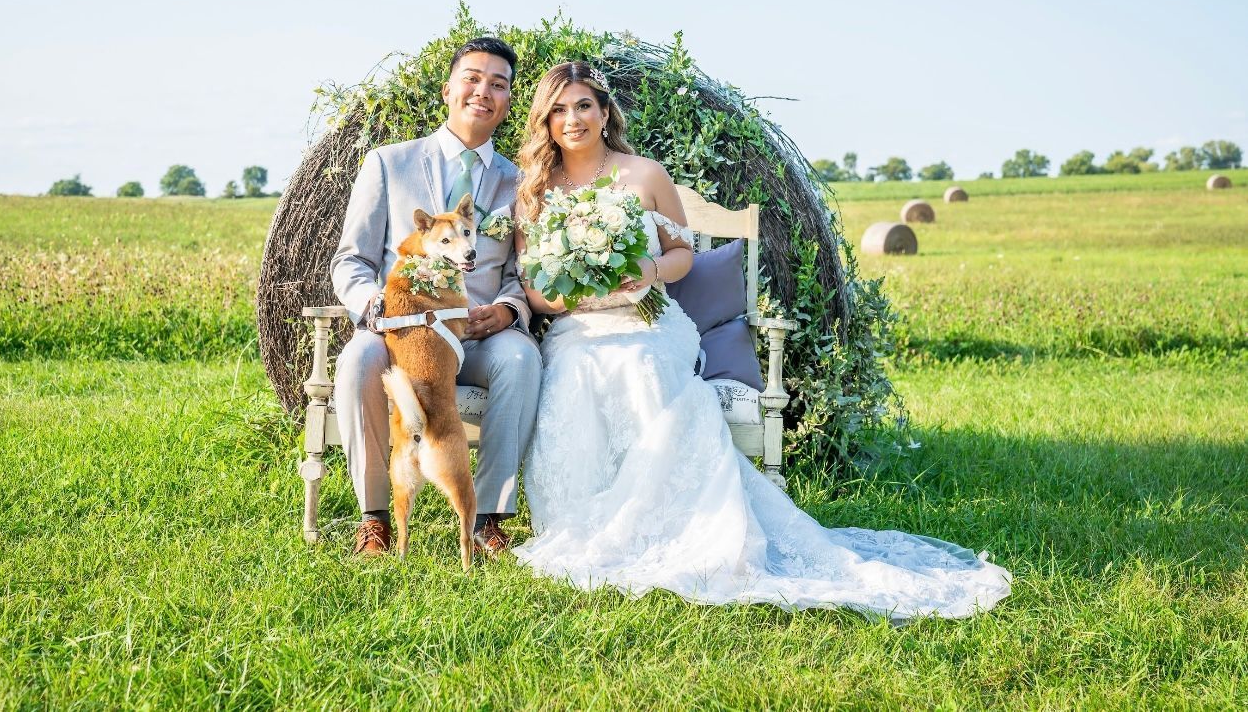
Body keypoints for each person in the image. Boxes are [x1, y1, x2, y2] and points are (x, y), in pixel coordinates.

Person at [511, 62, 1011, 619]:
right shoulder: (535, 189)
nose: (572, 119)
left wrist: (648, 272)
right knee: (578, 371)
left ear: (605, 112)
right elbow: (534, 288)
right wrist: (579, 291)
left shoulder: (644, 175)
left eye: (583, 105)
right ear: (545, 121)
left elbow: (682, 257)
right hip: (579, 328)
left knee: (641, 366)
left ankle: (669, 522)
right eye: (559, 109)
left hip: (647, 322)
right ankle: (592, 523)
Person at [331, 37, 541, 557]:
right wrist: (373, 305)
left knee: (520, 357)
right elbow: (350, 260)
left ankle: (486, 518)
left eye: (498, 84)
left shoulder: (521, 183)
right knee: (359, 358)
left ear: (508, 101)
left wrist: (509, 309)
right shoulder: (388, 164)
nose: (483, 91)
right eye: (472, 78)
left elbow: (524, 272)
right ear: (448, 88)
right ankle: (375, 517)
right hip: (399, 335)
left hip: (476, 336)